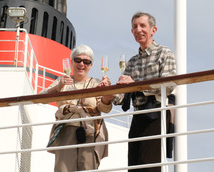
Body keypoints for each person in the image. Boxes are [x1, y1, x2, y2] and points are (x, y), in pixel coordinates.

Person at [113, 12, 176, 172]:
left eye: (142, 25)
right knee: (133, 167)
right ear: (132, 32)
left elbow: (168, 85)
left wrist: (136, 84)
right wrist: (110, 92)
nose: (138, 29)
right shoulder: (132, 62)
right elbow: (121, 98)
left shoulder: (164, 53)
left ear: (153, 30)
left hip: (157, 113)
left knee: (150, 166)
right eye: (135, 26)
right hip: (138, 116)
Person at [40, 44, 113, 172]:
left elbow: (105, 109)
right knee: (63, 169)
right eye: (78, 60)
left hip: (90, 131)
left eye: (86, 61)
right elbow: (41, 99)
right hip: (66, 130)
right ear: (72, 62)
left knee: (88, 168)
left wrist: (106, 97)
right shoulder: (62, 81)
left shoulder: (96, 83)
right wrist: (58, 88)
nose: (81, 64)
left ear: (91, 65)